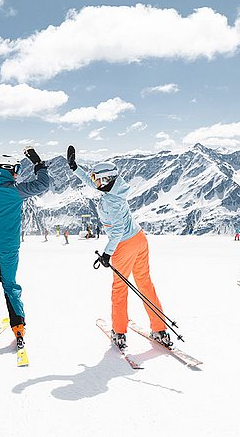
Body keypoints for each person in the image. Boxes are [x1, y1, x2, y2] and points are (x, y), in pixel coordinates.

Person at [66, 145, 171, 349]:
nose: (94, 181)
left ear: (106, 179)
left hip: (123, 246)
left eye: (97, 178)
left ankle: (119, 332)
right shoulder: (115, 189)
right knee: (145, 284)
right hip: (140, 240)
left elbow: (117, 232)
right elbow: (92, 184)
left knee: (119, 288)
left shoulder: (111, 203)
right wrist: (74, 168)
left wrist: (107, 254)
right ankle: (160, 329)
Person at [0, 147, 50, 350]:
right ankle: (18, 328)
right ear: (9, 169)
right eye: (16, 169)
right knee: (10, 286)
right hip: (9, 248)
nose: (16, 173)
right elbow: (43, 184)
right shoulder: (16, 191)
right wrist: (39, 165)